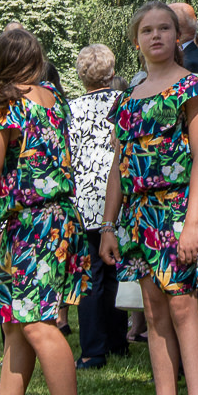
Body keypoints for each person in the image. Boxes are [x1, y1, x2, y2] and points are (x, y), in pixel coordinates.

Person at [0, 28, 89, 395]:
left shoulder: (4, 105)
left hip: (34, 223)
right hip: (54, 220)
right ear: (37, 61)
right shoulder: (53, 97)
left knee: (37, 325)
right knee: (17, 325)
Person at [100, 4, 198, 395]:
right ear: (136, 41)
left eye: (164, 28)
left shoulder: (194, 87)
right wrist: (110, 225)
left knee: (184, 305)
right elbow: (118, 164)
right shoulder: (128, 98)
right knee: (152, 311)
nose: (156, 36)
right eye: (147, 30)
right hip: (138, 216)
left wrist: (191, 223)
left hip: (179, 208)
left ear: (176, 35)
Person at [68, 45, 127, 370]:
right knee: (116, 272)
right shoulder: (123, 102)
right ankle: (117, 341)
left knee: (89, 277)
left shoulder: (69, 110)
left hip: (82, 200)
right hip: (116, 198)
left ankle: (93, 349)